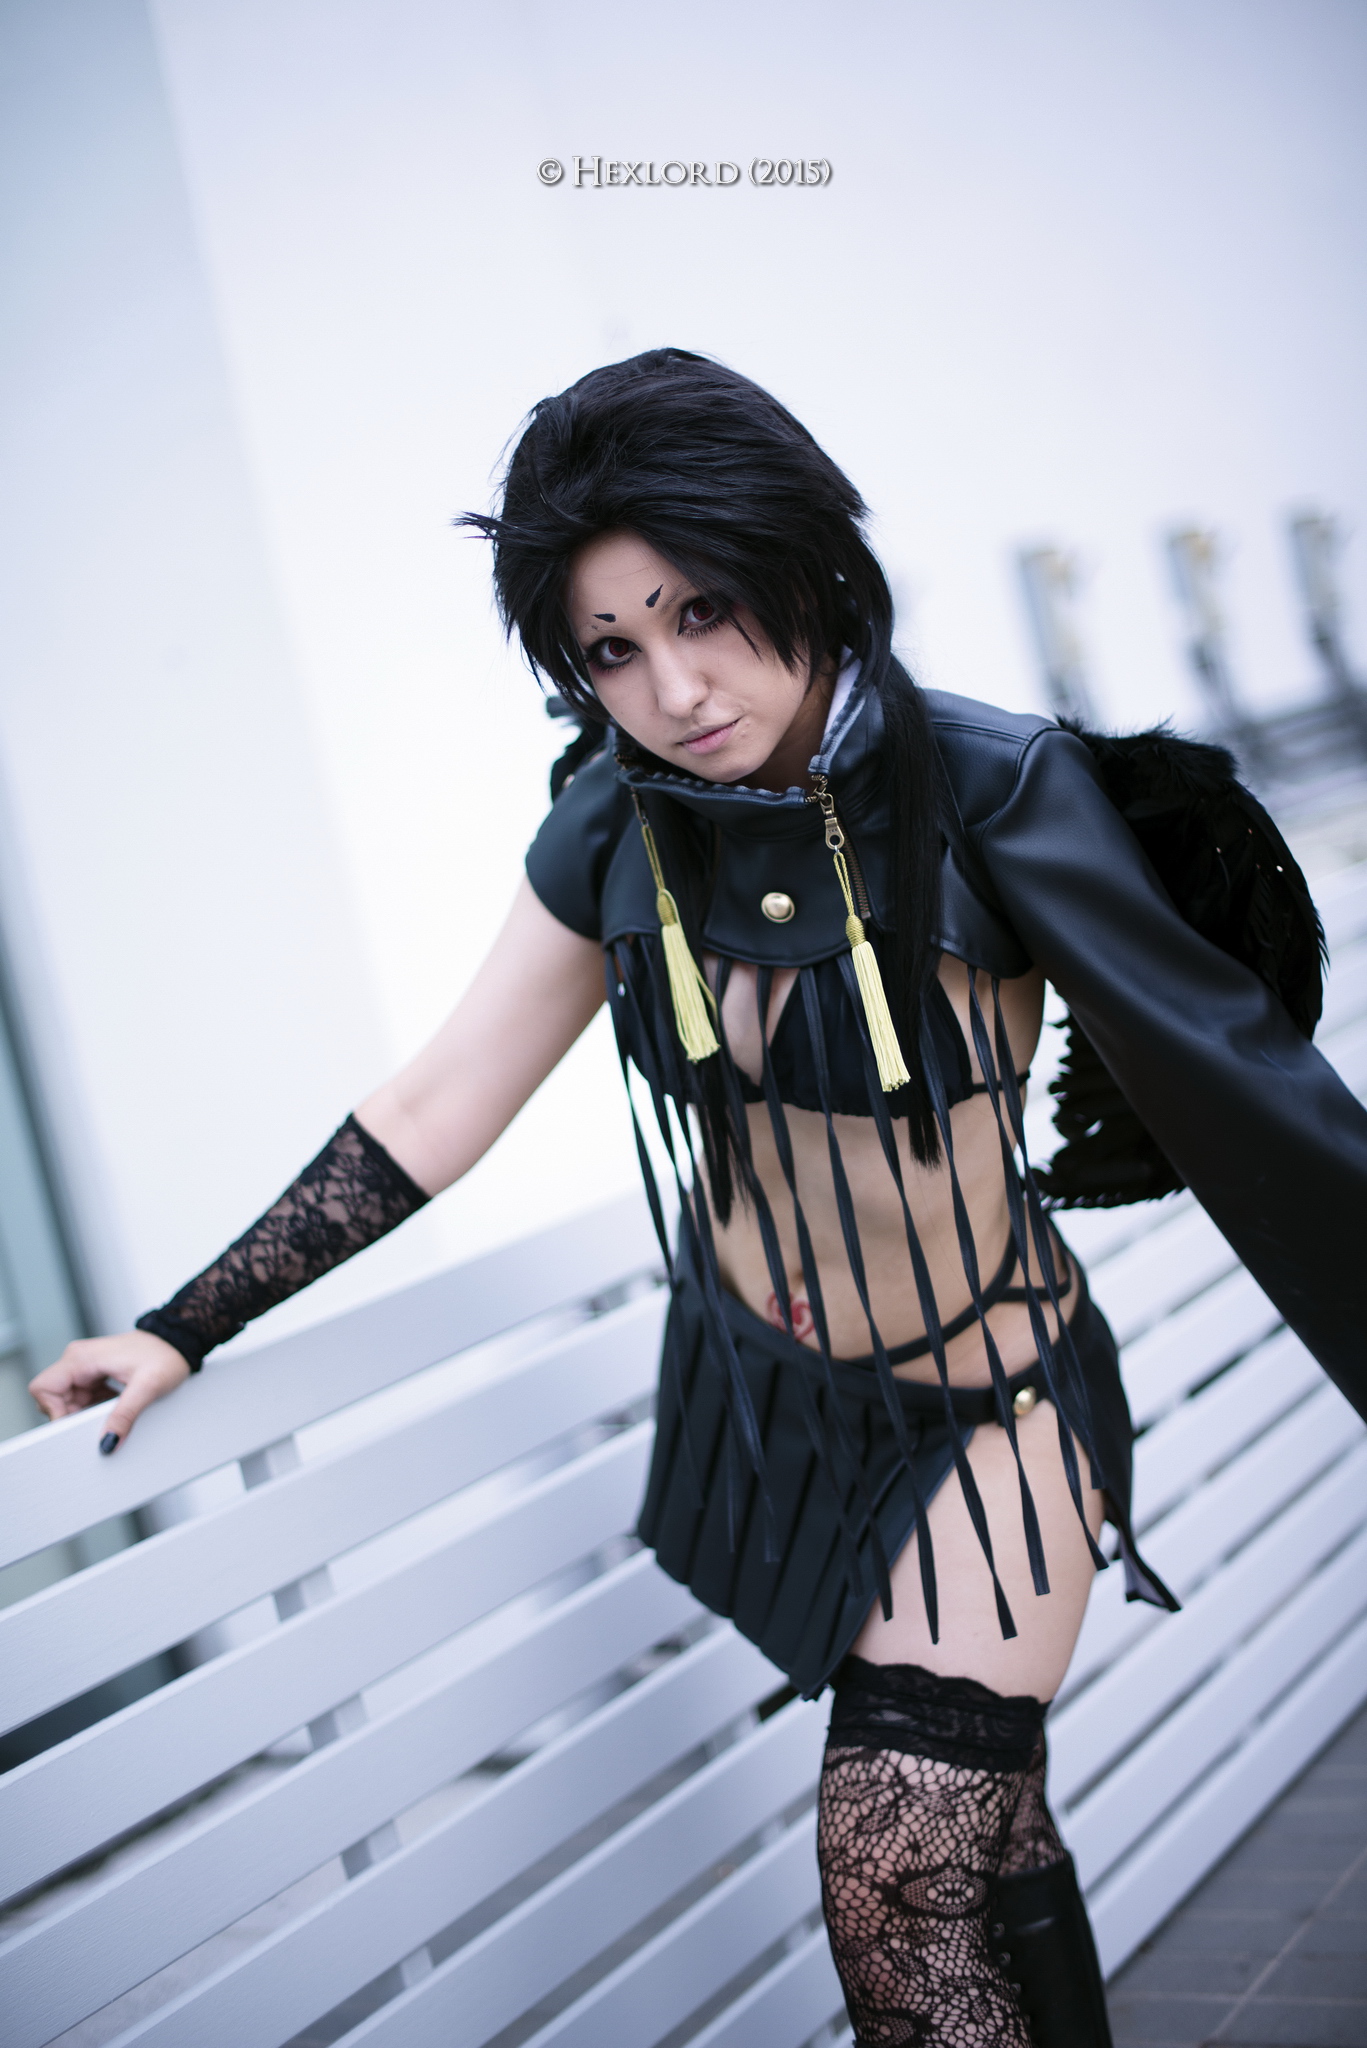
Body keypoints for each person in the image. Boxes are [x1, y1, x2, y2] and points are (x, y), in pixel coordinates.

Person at [31, 350, 1367, 2047]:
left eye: (704, 613)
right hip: (776, 1408)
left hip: (995, 1413)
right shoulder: (617, 828)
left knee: (892, 1862)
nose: (673, 687)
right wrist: (183, 1325)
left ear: (803, 568)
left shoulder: (991, 790)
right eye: (612, 649)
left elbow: (1245, 1090)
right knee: (983, 1829)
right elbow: (437, 1103)